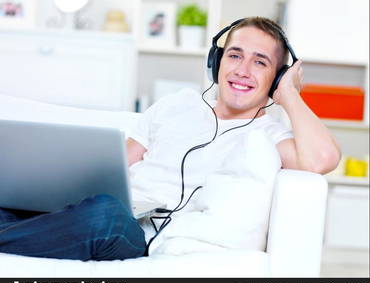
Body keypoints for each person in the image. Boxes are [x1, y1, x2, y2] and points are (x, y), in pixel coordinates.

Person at [0, 17, 341, 261]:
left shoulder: (269, 135)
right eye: (235, 55)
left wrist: (291, 95)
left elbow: (321, 160)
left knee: (107, 215)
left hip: (134, 233)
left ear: (276, 78)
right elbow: (115, 167)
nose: (242, 70)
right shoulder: (177, 104)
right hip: (105, 208)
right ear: (217, 61)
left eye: (260, 63)